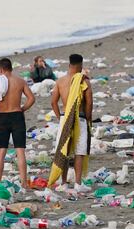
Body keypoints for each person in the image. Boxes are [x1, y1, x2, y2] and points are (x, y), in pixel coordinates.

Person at [0, 58, 35, 188]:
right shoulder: (20, 81)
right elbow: (31, 99)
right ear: (10, 68)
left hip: (3, 117)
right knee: (20, 151)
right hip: (17, 116)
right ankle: (24, 183)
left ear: (1, 69)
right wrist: (22, 109)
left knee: (1, 151)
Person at [48, 54, 93, 192]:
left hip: (64, 118)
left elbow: (53, 102)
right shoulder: (83, 80)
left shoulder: (60, 81)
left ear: (69, 65)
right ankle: (78, 184)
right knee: (79, 151)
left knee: (64, 150)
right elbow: (89, 102)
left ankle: (63, 183)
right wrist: (88, 118)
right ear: (80, 65)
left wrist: (60, 118)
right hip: (79, 118)